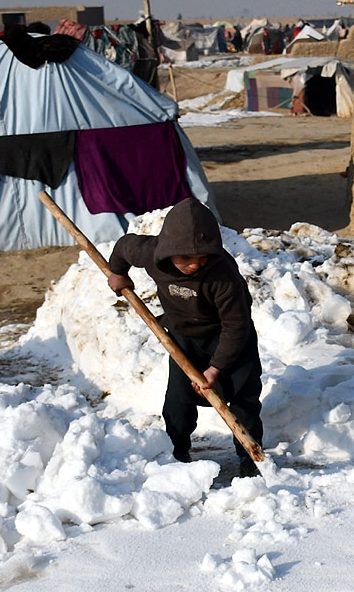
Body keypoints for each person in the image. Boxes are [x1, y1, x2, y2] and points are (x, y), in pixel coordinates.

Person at [106, 198, 264, 477]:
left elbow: (236, 326)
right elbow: (124, 246)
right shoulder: (151, 253)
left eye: (202, 258)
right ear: (168, 251)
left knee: (243, 398)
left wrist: (216, 368)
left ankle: (250, 460)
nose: (194, 265)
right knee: (178, 401)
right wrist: (117, 273)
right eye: (186, 259)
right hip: (183, 338)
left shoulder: (223, 276)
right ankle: (177, 453)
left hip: (228, 338)